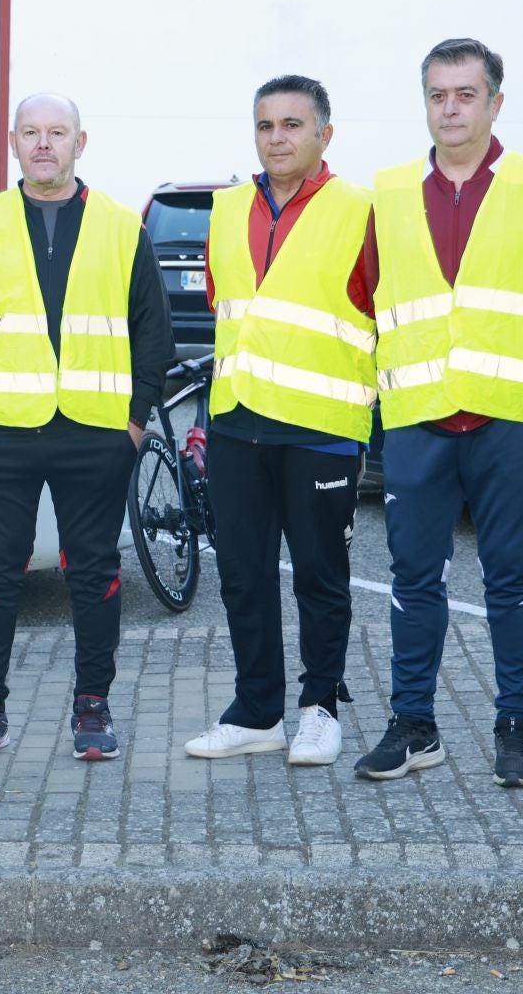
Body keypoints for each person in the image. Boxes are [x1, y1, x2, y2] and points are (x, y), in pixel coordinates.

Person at [352, 39, 523, 788]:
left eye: (465, 94)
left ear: (494, 102)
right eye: (437, 95)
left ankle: (516, 723)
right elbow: (365, 300)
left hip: (509, 416)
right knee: (413, 578)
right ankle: (413, 724)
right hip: (419, 416)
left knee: (512, 577)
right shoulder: (386, 194)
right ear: (424, 102)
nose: (450, 108)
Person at [0, 92, 172, 762]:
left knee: (93, 574)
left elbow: (153, 331)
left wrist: (135, 420)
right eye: (31, 132)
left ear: (80, 142)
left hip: (95, 434)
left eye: (56, 132)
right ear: (13, 142)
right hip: (0, 431)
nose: (44, 144)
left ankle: (92, 710)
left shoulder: (124, 226)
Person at [180, 76, 373, 768]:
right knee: (242, 574)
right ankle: (256, 711)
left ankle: (319, 709)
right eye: (266, 126)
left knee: (319, 577)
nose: (278, 138)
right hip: (237, 420)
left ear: (325, 133)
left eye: (293, 124)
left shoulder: (361, 210)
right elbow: (223, 302)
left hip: (320, 426)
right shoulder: (227, 207)